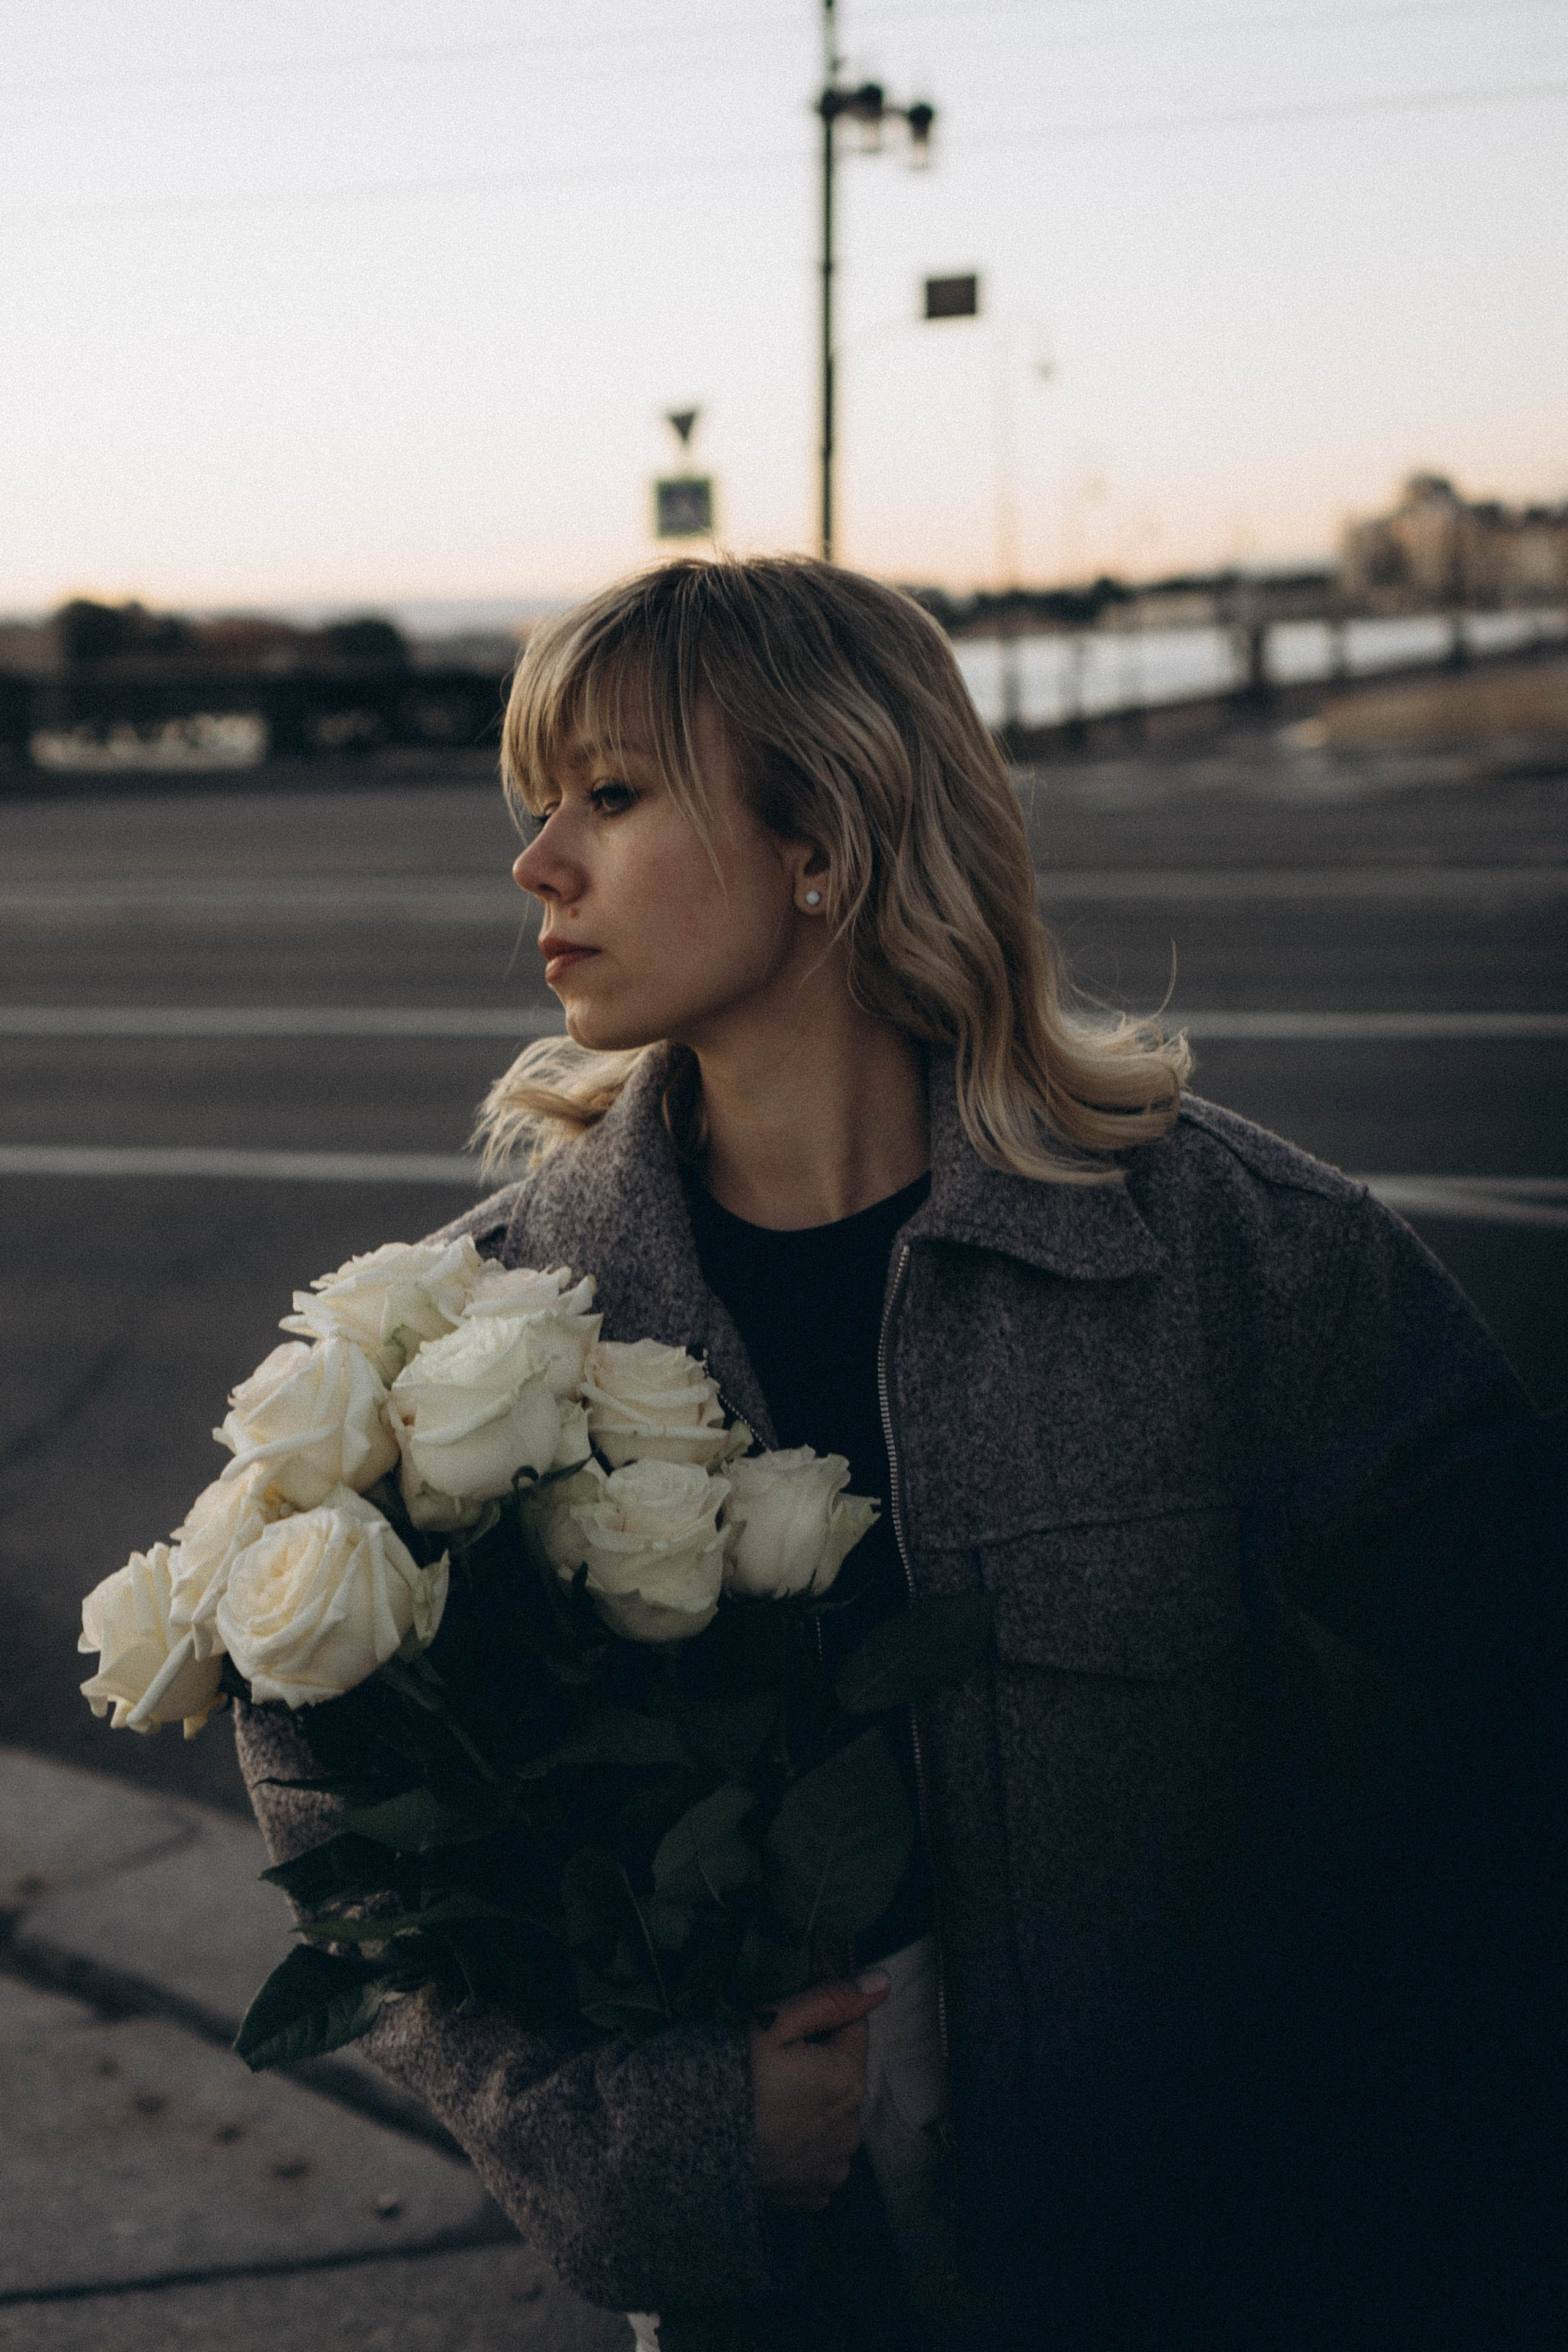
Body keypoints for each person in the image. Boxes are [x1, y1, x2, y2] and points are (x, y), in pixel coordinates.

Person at [238, 556, 1562, 2351]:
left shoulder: (1224, 1252)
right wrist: (635, 2138)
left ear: (827, 840)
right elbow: (329, 1803)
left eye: (613, 798)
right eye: (541, 804)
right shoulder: (481, 1331)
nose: (538, 862)